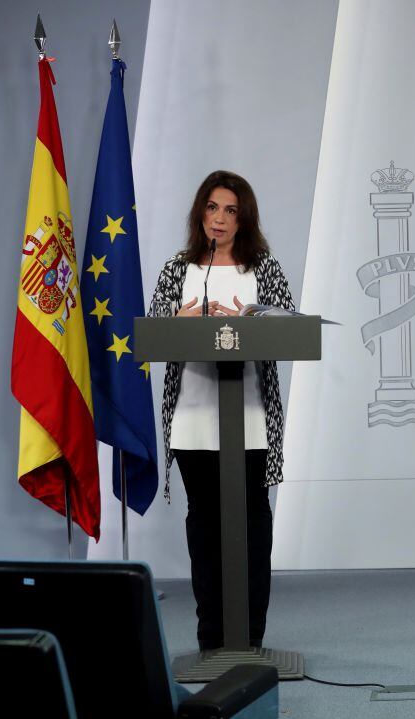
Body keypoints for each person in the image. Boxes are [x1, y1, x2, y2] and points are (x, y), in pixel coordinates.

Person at [147, 170, 296, 650]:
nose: (220, 219)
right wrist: (179, 320)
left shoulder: (264, 267)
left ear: (243, 218)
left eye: (231, 210)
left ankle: (250, 636)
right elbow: (150, 336)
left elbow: (289, 326)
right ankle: (211, 637)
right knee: (205, 525)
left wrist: (249, 324)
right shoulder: (178, 268)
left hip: (250, 419)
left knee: (253, 523)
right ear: (200, 212)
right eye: (213, 207)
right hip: (192, 420)